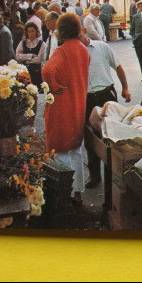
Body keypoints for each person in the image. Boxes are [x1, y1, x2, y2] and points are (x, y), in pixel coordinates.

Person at [42, 14, 90, 204]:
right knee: (76, 149)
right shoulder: (83, 49)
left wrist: (54, 86)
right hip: (79, 104)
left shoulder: (61, 51)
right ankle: (78, 192)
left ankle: (65, 195)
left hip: (62, 107)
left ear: (62, 30)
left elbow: (47, 70)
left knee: (60, 150)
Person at [80, 28, 132, 188]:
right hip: (86, 98)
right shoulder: (73, 51)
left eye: (79, 34)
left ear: (84, 31)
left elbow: (118, 67)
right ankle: (95, 176)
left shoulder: (102, 47)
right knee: (90, 138)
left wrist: (125, 88)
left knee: (110, 137)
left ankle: (112, 177)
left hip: (106, 95)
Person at [15, 22, 46, 87]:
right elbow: (17, 56)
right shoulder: (23, 42)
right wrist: (30, 55)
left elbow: (39, 59)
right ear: (26, 33)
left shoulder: (42, 44)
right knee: (26, 93)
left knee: (40, 92)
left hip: (37, 73)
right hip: (24, 74)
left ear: (36, 32)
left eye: (33, 31)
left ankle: (41, 97)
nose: (31, 34)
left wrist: (25, 60)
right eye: (29, 32)